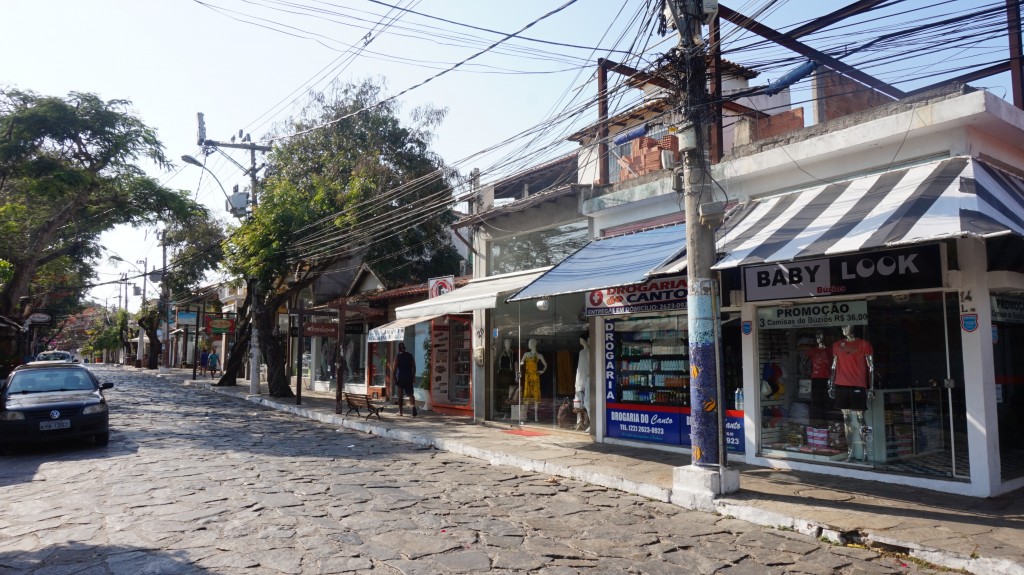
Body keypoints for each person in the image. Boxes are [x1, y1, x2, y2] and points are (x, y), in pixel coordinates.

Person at [830, 325, 874, 462]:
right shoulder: (837, 345)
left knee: (862, 419)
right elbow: (834, 365)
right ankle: (850, 451)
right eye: (842, 326)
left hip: (858, 385)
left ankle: (867, 450)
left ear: (853, 327)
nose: (844, 328)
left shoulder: (864, 344)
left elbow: (871, 366)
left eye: (847, 325)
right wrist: (831, 384)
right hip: (841, 385)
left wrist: (871, 387)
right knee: (846, 420)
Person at [805, 330, 833, 422]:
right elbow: (804, 362)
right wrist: (808, 372)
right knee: (817, 401)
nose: (819, 339)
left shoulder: (829, 350)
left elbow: (835, 363)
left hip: (827, 378)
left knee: (827, 400)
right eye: (817, 336)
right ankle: (818, 421)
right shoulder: (812, 351)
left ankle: (827, 420)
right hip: (815, 378)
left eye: (821, 336)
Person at [519, 338, 547, 422]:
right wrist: (521, 364)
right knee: (526, 396)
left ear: (533, 344)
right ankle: (525, 415)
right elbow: (521, 362)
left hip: (535, 377)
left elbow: (545, 365)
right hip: (528, 377)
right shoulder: (526, 354)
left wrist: (542, 371)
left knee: (535, 396)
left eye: (529, 343)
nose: (528, 345)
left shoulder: (539, 355)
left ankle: (536, 416)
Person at [393, 342, 417, 416]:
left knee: (400, 394)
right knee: (410, 394)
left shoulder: (398, 356)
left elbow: (394, 368)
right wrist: (413, 376)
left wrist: (394, 378)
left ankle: (400, 412)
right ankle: (413, 407)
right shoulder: (410, 355)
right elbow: (414, 367)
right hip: (409, 377)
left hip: (401, 377)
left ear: (399, 348)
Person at [573, 335, 591, 431]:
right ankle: (579, 422)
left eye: (581, 339)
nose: (580, 341)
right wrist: (577, 381)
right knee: (578, 402)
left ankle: (589, 422)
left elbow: (589, 366)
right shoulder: (581, 352)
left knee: (587, 402)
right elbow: (579, 368)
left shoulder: (589, 352)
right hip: (580, 378)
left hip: (588, 378)